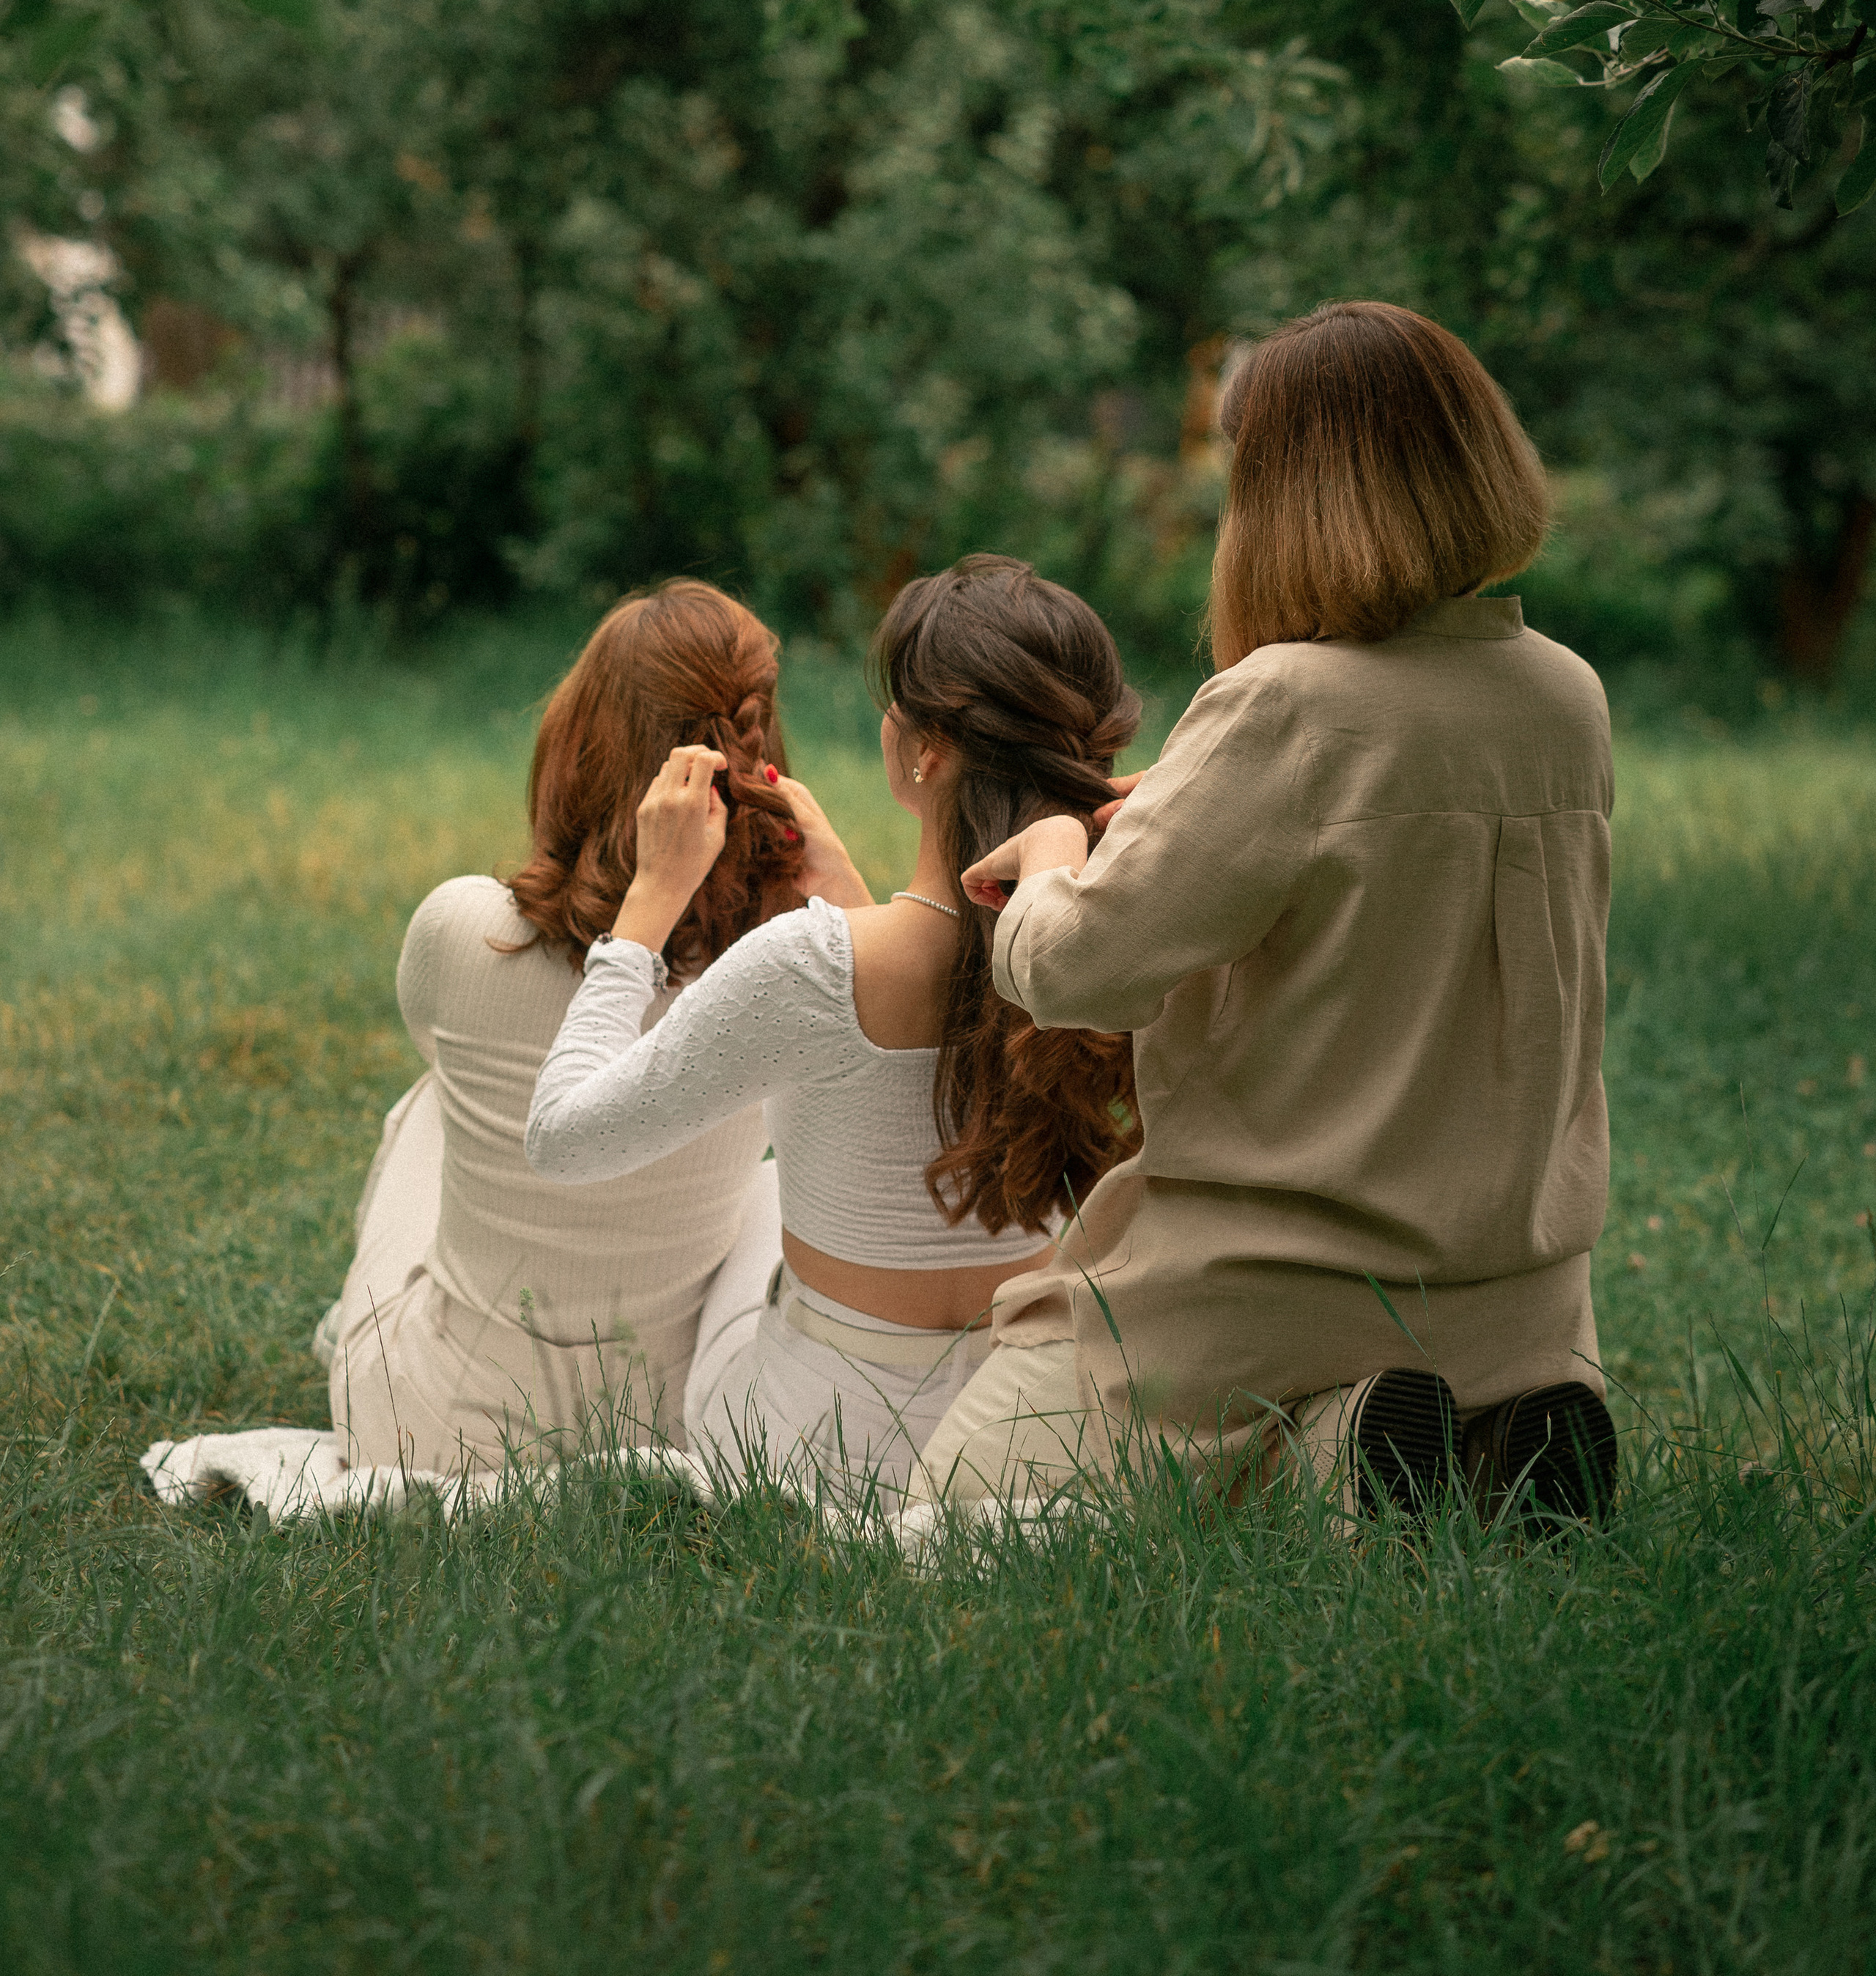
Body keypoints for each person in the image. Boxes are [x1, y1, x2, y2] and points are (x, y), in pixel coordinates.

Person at [914, 302, 1618, 1527]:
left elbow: (1077, 969)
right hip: (1525, 1286)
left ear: (1287, 496)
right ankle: (1409, 1443)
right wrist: (1190, 810)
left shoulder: (1285, 704)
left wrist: (1045, 859)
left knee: (961, 1502)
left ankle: (1340, 1445)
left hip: (1280, 1280)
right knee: (1329, 1464)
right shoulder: (1565, 697)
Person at [525, 556, 1141, 1502]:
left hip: (826, 1453)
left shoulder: (811, 969)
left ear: (925, 750)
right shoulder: (1128, 943)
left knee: (753, 1200)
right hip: (1038, 1426)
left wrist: (647, 906)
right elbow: (954, 997)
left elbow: (564, 1139)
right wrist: (852, 891)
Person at [322, 579, 866, 1476]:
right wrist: (852, 907)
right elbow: (902, 1076)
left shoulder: (464, 928)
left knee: (432, 1101)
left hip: (421, 1428)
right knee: (775, 1170)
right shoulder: (785, 969)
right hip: (658, 1419)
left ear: (575, 745)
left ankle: (365, 1326)